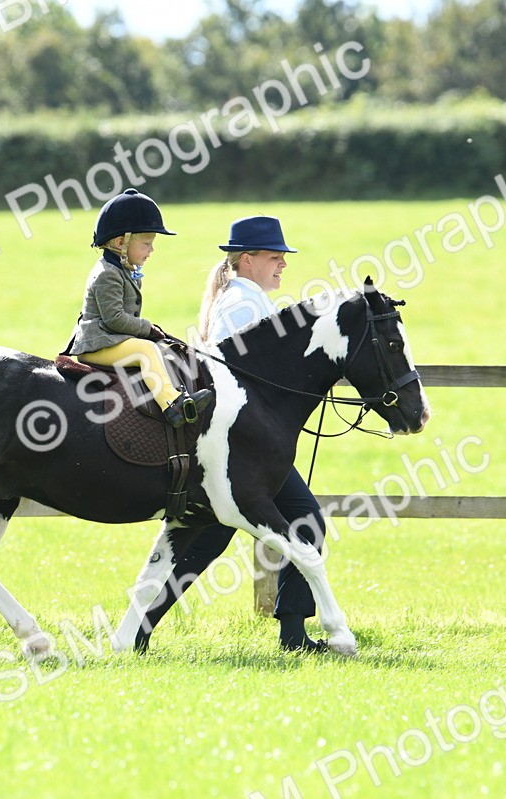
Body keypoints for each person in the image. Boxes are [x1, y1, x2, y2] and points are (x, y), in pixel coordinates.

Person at [136, 215, 328, 652]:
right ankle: (293, 634)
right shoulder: (242, 305)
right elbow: (236, 376)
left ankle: (139, 629)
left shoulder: (249, 300)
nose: (283, 265)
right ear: (247, 260)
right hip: (240, 448)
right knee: (304, 519)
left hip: (242, 445)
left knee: (210, 538)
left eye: (282, 258)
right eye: (274, 257)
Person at [65, 189, 213, 427]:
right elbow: (114, 319)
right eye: (146, 244)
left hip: (111, 340)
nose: (151, 250)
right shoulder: (107, 275)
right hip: (96, 345)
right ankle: (172, 405)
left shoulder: (123, 270)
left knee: (161, 349)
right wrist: (148, 329)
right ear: (120, 243)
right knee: (146, 350)